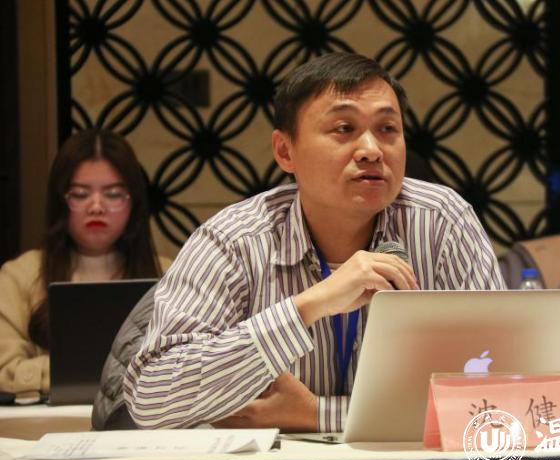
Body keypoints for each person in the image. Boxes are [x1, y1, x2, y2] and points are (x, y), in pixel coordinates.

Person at [124, 53, 505, 431]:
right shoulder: (234, 240)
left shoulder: (441, 222)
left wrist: (319, 414)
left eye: (388, 129)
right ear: (285, 151)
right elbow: (151, 401)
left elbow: (503, 393)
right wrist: (309, 306)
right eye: (344, 128)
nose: (372, 150)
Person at [0, 129, 170, 400]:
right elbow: (5, 370)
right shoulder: (19, 275)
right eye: (80, 194)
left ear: (134, 204)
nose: (96, 207)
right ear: (60, 202)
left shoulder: (170, 274)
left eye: (113, 194)